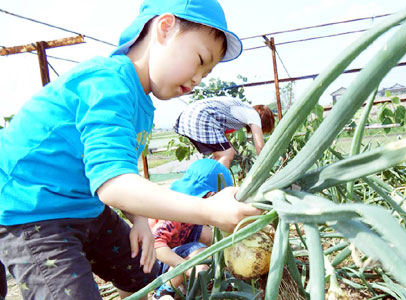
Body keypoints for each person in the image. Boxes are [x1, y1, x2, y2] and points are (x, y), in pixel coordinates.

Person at [0, 0, 261, 299]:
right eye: (200, 59)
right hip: (33, 214)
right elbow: (113, 185)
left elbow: (118, 166)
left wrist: (139, 220)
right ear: (165, 28)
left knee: (145, 274)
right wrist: (208, 211)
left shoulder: (142, 103)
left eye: (207, 71)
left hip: (84, 207)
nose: (199, 78)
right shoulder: (109, 83)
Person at [149, 158, 233, 299]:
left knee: (205, 235)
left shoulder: (190, 207)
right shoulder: (175, 212)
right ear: (209, 195)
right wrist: (187, 267)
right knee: (200, 255)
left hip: (171, 252)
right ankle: (164, 291)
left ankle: (179, 281)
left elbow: (210, 237)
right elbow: (155, 246)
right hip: (153, 263)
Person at [174, 97, 275, 168]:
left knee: (222, 154)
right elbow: (260, 148)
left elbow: (222, 137)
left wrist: (231, 149)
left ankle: (208, 182)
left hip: (189, 115)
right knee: (227, 154)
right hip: (201, 115)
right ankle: (219, 188)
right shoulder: (253, 114)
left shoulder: (242, 110)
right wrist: (267, 166)